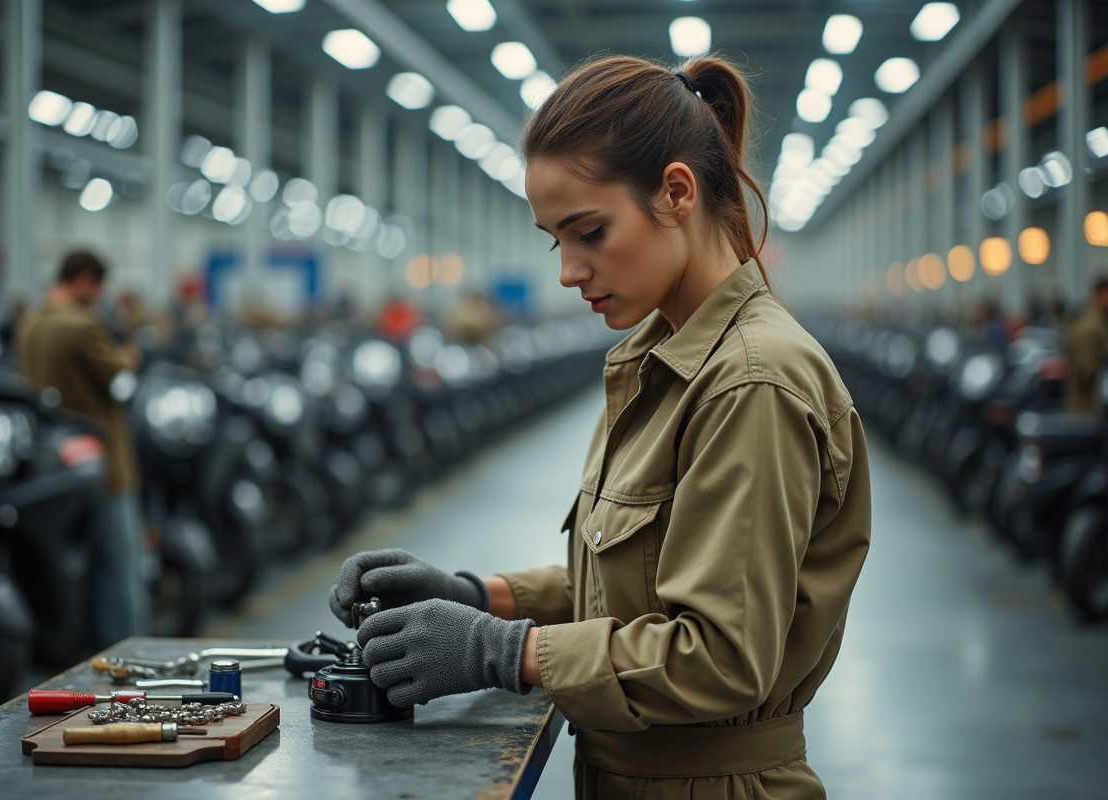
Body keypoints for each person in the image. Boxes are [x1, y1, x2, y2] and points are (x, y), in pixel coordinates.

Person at [327, 56, 871, 799]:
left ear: (676, 192)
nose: (569, 271)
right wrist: (478, 597)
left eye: (589, 231)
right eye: (558, 241)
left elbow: (719, 657)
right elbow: (637, 588)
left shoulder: (749, 382)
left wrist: (502, 651)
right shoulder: (658, 360)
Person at [16, 251, 149, 644]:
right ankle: (131, 654)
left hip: (57, 465)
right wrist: (130, 354)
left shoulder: (30, 323)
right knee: (121, 565)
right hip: (103, 463)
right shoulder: (82, 325)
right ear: (84, 280)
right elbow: (118, 373)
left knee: (84, 567)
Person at [1062, 276, 1108, 415]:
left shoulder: (1090, 323)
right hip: (1088, 409)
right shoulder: (1091, 328)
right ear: (1101, 294)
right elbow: (1086, 371)